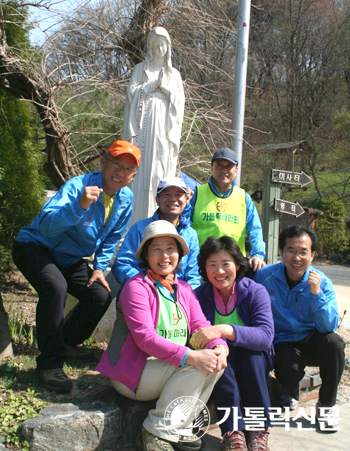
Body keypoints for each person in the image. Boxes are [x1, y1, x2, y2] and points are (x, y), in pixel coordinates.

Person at [12, 140, 141, 393]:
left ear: (133, 176)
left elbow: (113, 236)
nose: (120, 172)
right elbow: (46, 226)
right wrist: (79, 206)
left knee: (99, 294)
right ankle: (49, 363)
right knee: (55, 287)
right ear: (103, 162)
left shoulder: (125, 198)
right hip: (36, 246)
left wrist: (98, 268)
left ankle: (67, 342)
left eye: (127, 169)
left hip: (70, 258)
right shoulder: (78, 186)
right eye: (116, 163)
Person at [96, 221, 228, 451]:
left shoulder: (184, 289)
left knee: (216, 361)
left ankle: (181, 425)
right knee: (197, 364)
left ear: (179, 254)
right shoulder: (136, 287)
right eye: (157, 249)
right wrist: (191, 356)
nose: (165, 255)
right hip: (134, 372)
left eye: (171, 248)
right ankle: (155, 431)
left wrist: (220, 345)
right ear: (146, 255)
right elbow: (145, 338)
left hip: (165, 368)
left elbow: (200, 325)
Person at [254, 225, 345, 431]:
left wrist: (316, 293)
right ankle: (290, 391)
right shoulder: (264, 277)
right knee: (288, 368)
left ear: (312, 255)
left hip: (312, 338)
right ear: (281, 252)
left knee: (336, 344)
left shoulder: (323, 282)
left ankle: (326, 407)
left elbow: (329, 326)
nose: (297, 257)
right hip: (283, 340)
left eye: (303, 252)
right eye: (291, 251)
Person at [192, 236, 274, 451]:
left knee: (252, 355)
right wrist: (220, 345)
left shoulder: (255, 292)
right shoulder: (198, 297)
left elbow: (265, 336)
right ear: (204, 269)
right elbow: (195, 336)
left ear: (238, 266)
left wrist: (223, 330)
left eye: (226, 264)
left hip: (254, 359)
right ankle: (233, 432)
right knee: (220, 358)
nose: (219, 271)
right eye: (212, 265)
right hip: (220, 359)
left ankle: (258, 430)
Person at [122, 26, 185, 224]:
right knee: (141, 174)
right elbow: (132, 94)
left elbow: (179, 100)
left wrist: (165, 89)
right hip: (144, 126)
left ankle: (159, 222)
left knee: (160, 170)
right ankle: (134, 223)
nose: (159, 48)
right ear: (150, 47)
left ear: (168, 47)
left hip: (164, 129)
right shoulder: (140, 69)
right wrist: (149, 87)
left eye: (163, 44)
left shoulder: (174, 74)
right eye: (156, 44)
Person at [184, 147, 266, 275]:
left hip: (234, 266)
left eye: (229, 166)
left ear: (236, 170)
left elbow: (255, 230)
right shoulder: (197, 194)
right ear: (212, 168)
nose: (224, 170)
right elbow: (184, 226)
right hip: (201, 265)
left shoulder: (244, 198)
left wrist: (258, 254)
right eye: (219, 166)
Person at [113, 176, 201, 289]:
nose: (173, 199)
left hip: (177, 298)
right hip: (143, 292)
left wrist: (185, 297)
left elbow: (193, 276)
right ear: (157, 200)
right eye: (167, 194)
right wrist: (148, 285)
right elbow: (122, 265)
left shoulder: (190, 235)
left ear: (186, 200)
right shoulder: (140, 228)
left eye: (179, 194)